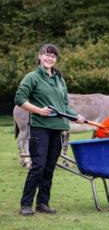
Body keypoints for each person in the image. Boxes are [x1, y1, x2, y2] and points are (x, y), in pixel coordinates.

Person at [15, 44, 85, 216]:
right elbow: (19, 98)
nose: (50, 58)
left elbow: (64, 106)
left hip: (58, 129)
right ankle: (26, 204)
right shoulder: (32, 77)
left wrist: (76, 116)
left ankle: (42, 203)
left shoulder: (59, 79)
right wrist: (39, 111)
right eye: (47, 55)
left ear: (56, 59)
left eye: (53, 56)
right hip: (40, 129)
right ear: (39, 56)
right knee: (38, 167)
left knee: (49, 168)